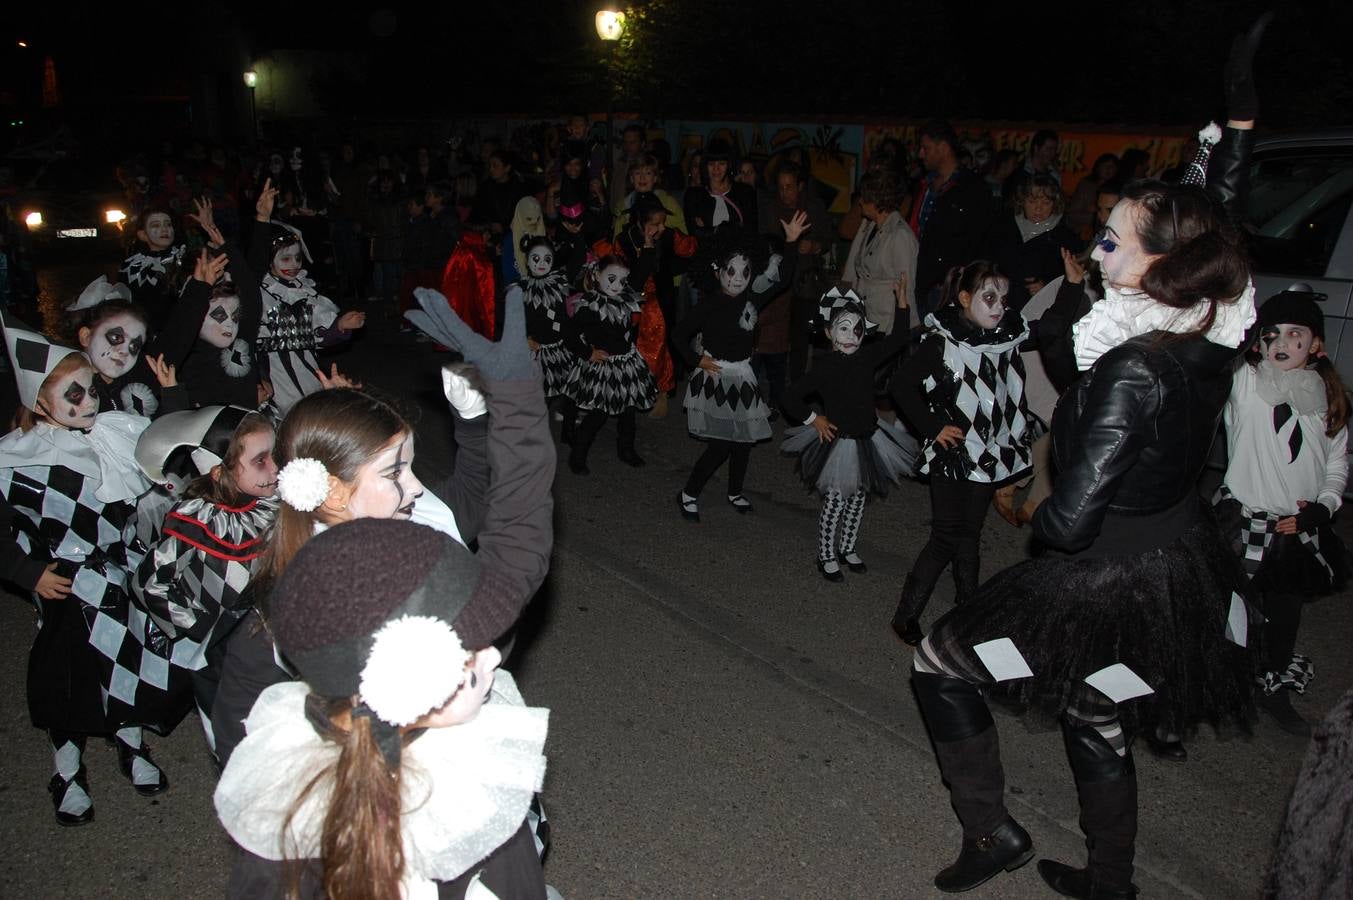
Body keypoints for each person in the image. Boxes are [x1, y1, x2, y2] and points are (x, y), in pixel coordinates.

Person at [900, 21, 1267, 885]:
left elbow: (1066, 523)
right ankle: (1109, 881)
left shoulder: (1131, 366)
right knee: (1094, 707)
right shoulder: (1211, 318)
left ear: (1158, 262)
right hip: (1174, 561)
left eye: (1111, 239)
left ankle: (990, 834)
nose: (1095, 247)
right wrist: (1237, 129)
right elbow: (1212, 221)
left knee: (939, 662)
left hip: (1101, 576)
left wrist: (1044, 480)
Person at [215, 514, 551, 896]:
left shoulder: (298, 777)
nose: (492, 657)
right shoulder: (459, 812)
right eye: (470, 652)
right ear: (411, 683)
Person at [0, 312, 191, 825]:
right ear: (40, 403)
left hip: (122, 571)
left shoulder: (112, 433)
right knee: (70, 674)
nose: (90, 402)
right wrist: (27, 572)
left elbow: (169, 453)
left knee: (131, 655)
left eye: (90, 390)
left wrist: (172, 397)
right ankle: (66, 768)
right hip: (66, 582)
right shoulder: (16, 459)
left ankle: (130, 741)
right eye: (74, 395)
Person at [1215, 288, 1349, 736]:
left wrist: (1325, 506)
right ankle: (1229, 687)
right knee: (1237, 610)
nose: (1282, 342)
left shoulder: (1327, 398)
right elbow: (1222, 344)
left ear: (1316, 344)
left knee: (1285, 613)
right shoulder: (1245, 383)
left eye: (1296, 334)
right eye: (1271, 334)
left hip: (1295, 528)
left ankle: (1272, 688)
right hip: (1245, 520)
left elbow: (1336, 465)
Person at [888, 261, 1035, 643]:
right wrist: (933, 427)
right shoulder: (942, 342)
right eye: (989, 297)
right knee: (946, 536)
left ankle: (968, 607)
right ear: (965, 298)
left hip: (986, 451)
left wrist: (1071, 286)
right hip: (952, 453)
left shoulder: (1004, 336)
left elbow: (1051, 330)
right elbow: (901, 385)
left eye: (1003, 298)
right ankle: (905, 616)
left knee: (971, 532)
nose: (999, 306)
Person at [132, 406, 278, 756]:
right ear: (218, 471)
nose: (275, 468)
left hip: (273, 639)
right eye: (261, 460)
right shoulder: (197, 521)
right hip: (224, 653)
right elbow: (148, 583)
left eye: (275, 455)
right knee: (239, 732)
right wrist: (201, 629)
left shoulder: (272, 504)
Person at [780, 288, 915, 580]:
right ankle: (826, 554)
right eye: (844, 328)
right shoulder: (825, 368)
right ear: (829, 332)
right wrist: (814, 419)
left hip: (869, 439)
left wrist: (902, 304)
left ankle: (847, 547)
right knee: (835, 501)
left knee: (858, 498)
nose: (852, 336)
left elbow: (898, 339)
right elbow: (790, 396)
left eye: (857, 329)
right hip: (839, 444)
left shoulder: (867, 357)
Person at [673, 219, 804, 521]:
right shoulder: (708, 305)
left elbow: (783, 280)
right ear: (717, 270)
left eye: (745, 271)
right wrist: (696, 361)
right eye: (730, 271)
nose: (738, 278)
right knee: (720, 446)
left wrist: (792, 242)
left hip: (743, 376)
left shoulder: (753, 298)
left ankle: (734, 491)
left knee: (743, 443)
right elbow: (678, 335)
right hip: (715, 377)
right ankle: (688, 494)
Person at [250, 180, 366, 415]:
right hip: (273, 378)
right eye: (285, 259)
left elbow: (317, 336)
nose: (293, 265)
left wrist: (340, 326)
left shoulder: (305, 291)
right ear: (269, 261)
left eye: (297, 258)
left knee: (314, 416)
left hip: (307, 373)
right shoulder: (259, 292)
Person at [560, 255, 657, 473]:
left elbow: (641, 275)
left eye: (622, 281)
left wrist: (648, 249)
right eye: (611, 279)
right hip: (603, 367)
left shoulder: (624, 299)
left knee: (628, 411)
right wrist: (588, 353)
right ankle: (577, 456)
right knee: (598, 415)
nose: (617, 285)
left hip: (626, 364)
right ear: (596, 275)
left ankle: (626, 450)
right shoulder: (589, 306)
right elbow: (568, 333)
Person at [910, 121, 998, 321]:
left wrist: (965, 282)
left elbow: (980, 240)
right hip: (922, 283)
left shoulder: (972, 189)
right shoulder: (924, 185)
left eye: (926, 148)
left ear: (943, 148)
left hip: (951, 288)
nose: (921, 154)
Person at [988, 173, 1085, 312]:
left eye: (1046, 203)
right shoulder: (1003, 226)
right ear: (1022, 201)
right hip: (997, 303)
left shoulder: (1066, 239)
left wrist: (1047, 288)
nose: (1038, 209)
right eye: (1032, 201)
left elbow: (1074, 280)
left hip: (1036, 310)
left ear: (1055, 204)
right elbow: (987, 261)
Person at [842, 169, 918, 335]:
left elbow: (906, 287)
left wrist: (901, 331)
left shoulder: (900, 235)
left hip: (887, 325)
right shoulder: (872, 227)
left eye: (864, 197)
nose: (860, 202)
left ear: (875, 201)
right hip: (867, 318)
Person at [119, 207, 187, 333]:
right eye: (156, 225)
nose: (164, 229)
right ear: (143, 235)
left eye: (168, 224)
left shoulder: (187, 260)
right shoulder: (131, 266)